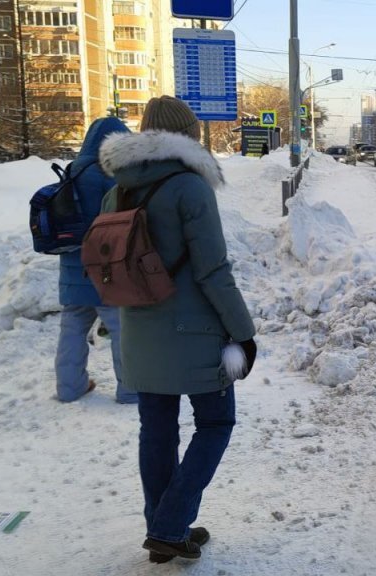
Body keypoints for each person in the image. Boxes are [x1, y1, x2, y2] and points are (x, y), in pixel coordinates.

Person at [97, 96, 257, 562]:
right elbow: (213, 271)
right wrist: (244, 333)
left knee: (158, 429)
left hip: (139, 332)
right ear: (189, 134)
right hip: (194, 334)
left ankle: (164, 530)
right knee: (215, 422)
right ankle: (170, 524)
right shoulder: (190, 187)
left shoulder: (117, 190)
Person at [56, 116, 137, 404]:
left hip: (71, 265)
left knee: (72, 328)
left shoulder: (72, 170)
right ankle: (130, 389)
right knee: (120, 328)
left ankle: (69, 387)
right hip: (104, 266)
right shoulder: (109, 174)